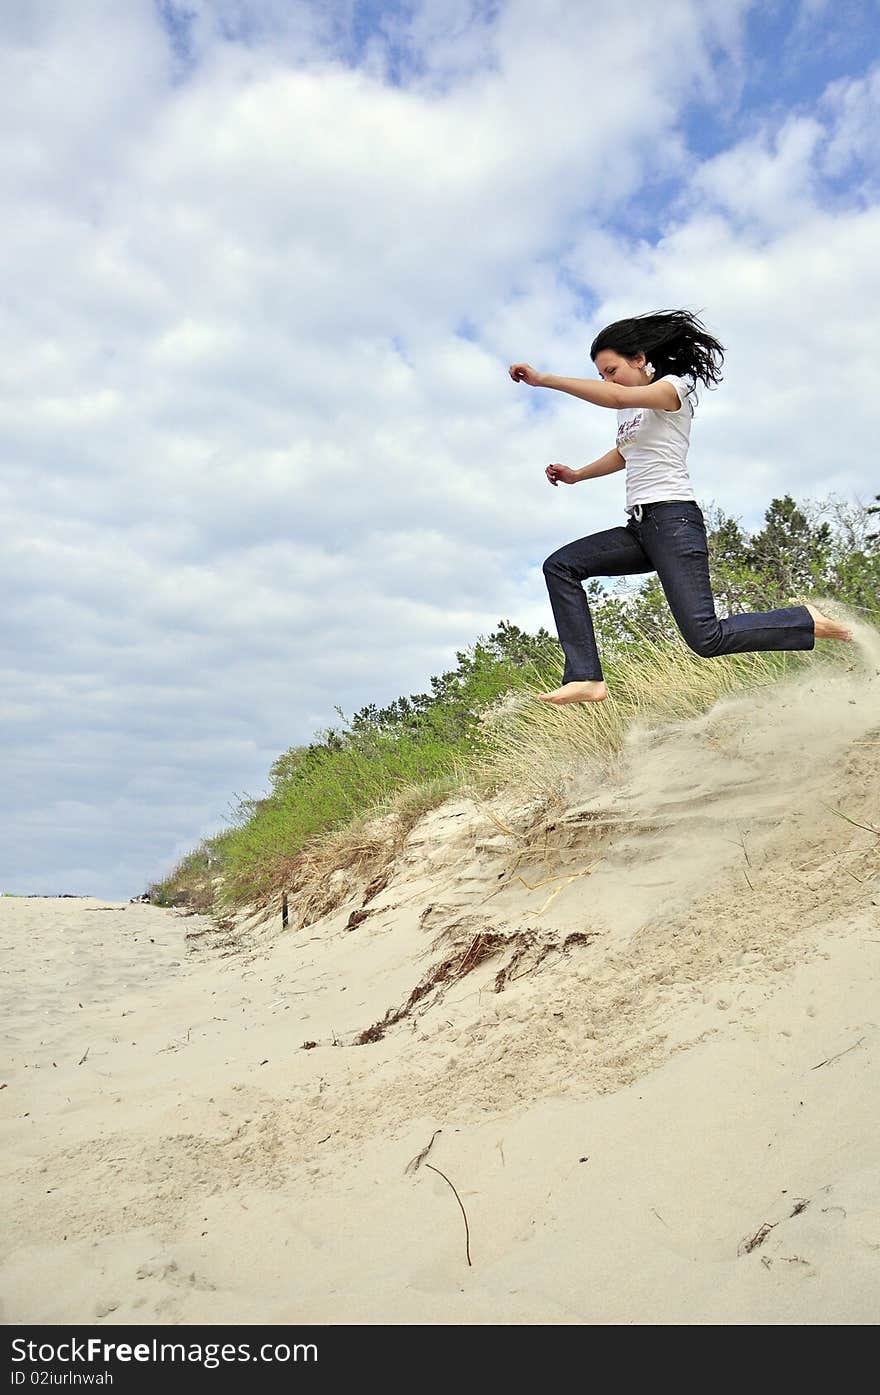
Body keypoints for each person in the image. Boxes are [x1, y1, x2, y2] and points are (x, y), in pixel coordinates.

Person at [509, 309, 852, 704]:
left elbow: (618, 395)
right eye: (602, 375)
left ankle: (802, 618)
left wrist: (544, 379)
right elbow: (625, 453)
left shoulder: (674, 389)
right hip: (640, 527)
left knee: (706, 637)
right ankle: (587, 677)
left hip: (673, 521)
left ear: (639, 359)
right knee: (561, 565)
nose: (608, 381)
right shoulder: (630, 408)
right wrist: (577, 474)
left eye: (611, 370)